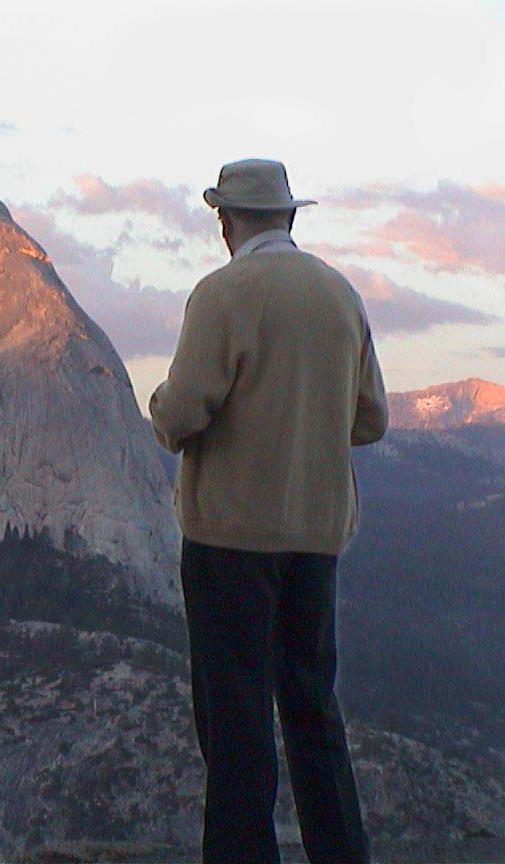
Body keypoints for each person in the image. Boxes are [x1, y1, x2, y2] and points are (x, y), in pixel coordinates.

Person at [149, 158, 387, 864]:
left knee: (236, 721)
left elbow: (184, 410)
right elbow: (370, 418)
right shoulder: (340, 295)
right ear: (289, 217)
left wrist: (162, 411)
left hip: (229, 539)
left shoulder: (224, 293)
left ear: (227, 219)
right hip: (315, 537)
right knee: (313, 707)